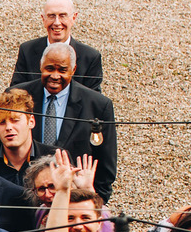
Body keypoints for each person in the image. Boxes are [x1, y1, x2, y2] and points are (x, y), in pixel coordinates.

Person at [13, 43, 119, 198]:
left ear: (73, 70)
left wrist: (94, 202)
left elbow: (106, 164)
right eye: (50, 68)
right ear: (41, 66)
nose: (55, 76)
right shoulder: (19, 96)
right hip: (25, 195)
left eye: (62, 70)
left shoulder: (98, 105)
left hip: (74, 198)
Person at [9, 0, 105, 92]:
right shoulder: (27, 51)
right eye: (51, 16)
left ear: (73, 18)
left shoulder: (90, 57)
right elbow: (15, 92)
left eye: (62, 16)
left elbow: (93, 98)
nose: (57, 22)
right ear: (43, 19)